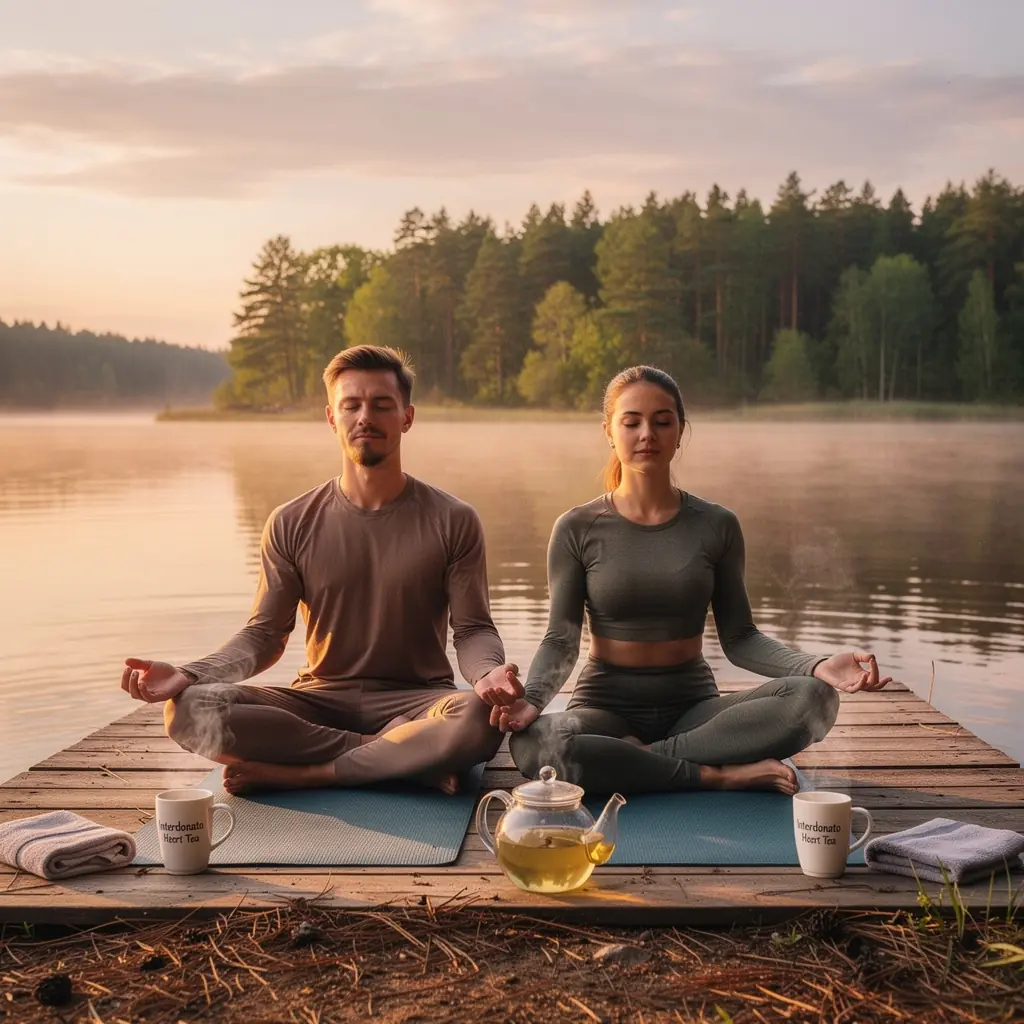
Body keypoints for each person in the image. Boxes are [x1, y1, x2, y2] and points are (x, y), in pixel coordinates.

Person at [120, 345, 521, 795]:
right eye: (351, 405)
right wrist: (191, 674)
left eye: (381, 405)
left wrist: (487, 673)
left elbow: (472, 629)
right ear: (332, 417)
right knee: (189, 710)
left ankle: (306, 773)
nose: (365, 417)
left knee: (478, 718)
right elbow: (264, 636)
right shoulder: (291, 521)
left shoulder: (453, 519)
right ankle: (396, 754)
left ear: (406, 417)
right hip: (319, 701)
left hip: (418, 700)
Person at [495, 365, 891, 795]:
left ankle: (640, 760)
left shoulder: (716, 524)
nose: (647, 434)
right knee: (534, 744)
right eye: (632, 422)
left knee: (814, 699)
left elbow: (740, 638)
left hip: (694, 709)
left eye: (662, 422)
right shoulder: (576, 527)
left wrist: (815, 665)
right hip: (604, 707)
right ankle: (714, 773)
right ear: (609, 431)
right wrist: (533, 698)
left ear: (680, 430)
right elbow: (561, 639)